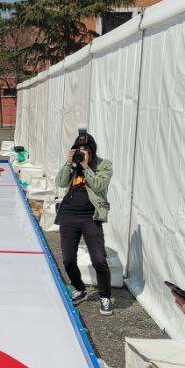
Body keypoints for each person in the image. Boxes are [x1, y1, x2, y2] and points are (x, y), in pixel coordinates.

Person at [55, 131, 114, 315]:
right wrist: (68, 163)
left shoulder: (104, 165)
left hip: (91, 216)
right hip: (69, 215)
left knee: (99, 260)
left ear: (92, 150)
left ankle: (104, 296)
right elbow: (61, 183)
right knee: (67, 260)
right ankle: (80, 288)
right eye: (79, 149)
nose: (83, 152)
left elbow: (98, 186)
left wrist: (86, 166)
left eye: (86, 149)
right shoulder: (72, 165)